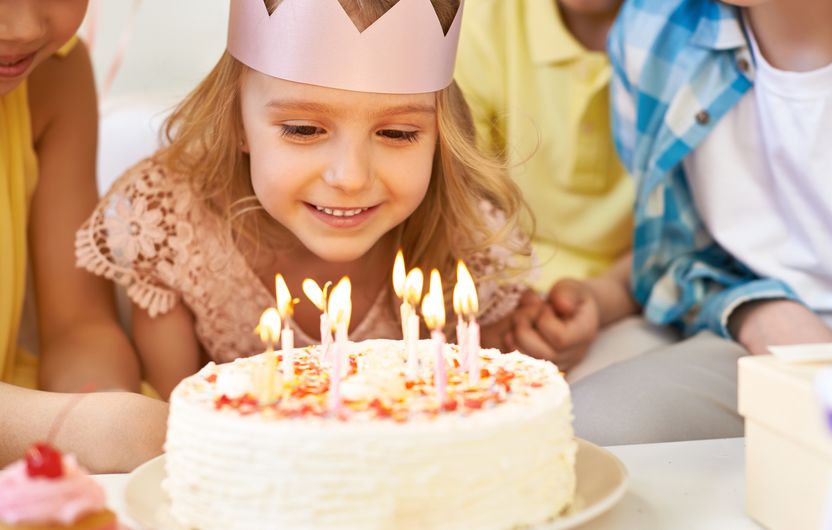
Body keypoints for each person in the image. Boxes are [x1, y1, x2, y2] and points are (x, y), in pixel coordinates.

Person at [77, 0, 596, 399]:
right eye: (303, 129)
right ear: (237, 122)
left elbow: (484, 397)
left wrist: (539, 334)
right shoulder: (172, 227)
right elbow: (183, 421)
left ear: (441, 135)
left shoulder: (466, 244)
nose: (350, 177)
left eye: (397, 134)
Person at [573, 0, 832, 445]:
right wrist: (757, 313)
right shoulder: (653, 31)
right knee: (584, 432)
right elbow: (673, 255)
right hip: (760, 350)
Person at [455, 0, 678, 379]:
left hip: (640, 302)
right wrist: (503, 304)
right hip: (487, 293)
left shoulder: (689, 36)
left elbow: (691, 237)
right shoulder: (477, 21)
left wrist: (602, 296)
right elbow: (456, 202)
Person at [0, 0, 166, 470]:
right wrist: (77, 427)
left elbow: (76, 324)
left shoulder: (53, 75)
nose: (25, 26)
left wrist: (103, 398)